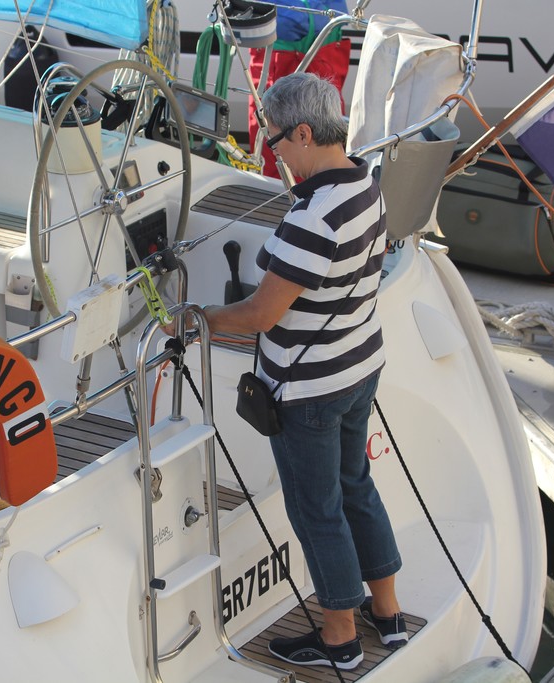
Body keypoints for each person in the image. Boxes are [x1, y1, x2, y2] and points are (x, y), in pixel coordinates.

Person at [174, 72, 407, 670]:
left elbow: (259, 313)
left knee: (315, 507)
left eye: (274, 141)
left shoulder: (314, 216)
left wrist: (193, 319)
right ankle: (388, 615)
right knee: (356, 486)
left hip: (311, 391)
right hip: (359, 368)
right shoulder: (366, 184)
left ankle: (340, 639)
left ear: (304, 132)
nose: (270, 154)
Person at [248, 0, 351, 179]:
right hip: (279, 44)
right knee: (273, 149)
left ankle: (326, 190)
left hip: (322, 42)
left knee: (327, 140)